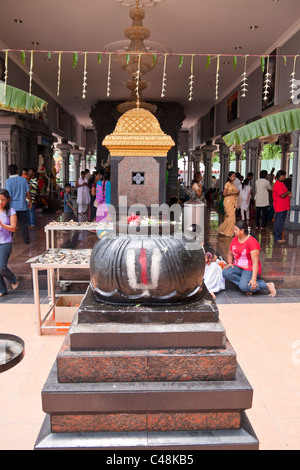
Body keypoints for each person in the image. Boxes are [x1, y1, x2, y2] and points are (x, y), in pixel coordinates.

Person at [222, 220, 276, 297]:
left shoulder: (252, 242)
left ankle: (267, 285)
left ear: (242, 231)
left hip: (250, 268)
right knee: (225, 273)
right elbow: (230, 254)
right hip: (238, 266)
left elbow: (255, 262)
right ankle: (247, 286)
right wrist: (230, 263)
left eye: (236, 229)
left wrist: (253, 279)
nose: (234, 231)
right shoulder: (235, 239)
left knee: (243, 286)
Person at [5, 164, 32, 244]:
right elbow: (28, 191)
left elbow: (8, 195)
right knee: (24, 224)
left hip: (12, 207)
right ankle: (26, 240)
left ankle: (9, 240)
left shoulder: (8, 181)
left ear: (9, 172)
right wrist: (30, 201)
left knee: (11, 224)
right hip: (22, 206)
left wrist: (6, 205)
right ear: (17, 171)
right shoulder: (23, 180)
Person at [0, 189, 18, 296]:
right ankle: (2, 289)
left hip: (5, 242)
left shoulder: (11, 211)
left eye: (3, 199)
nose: (1, 202)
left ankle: (13, 280)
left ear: (7, 200)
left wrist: (2, 225)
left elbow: (13, 228)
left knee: (1, 267)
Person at [272, 170, 292, 243]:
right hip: (280, 206)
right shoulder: (278, 184)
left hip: (283, 206)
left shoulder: (281, 183)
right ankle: (277, 237)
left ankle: (279, 236)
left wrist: (288, 194)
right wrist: (288, 192)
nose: (285, 177)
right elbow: (282, 195)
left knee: (280, 222)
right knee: (279, 222)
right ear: (280, 176)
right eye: (284, 175)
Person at [218, 171, 239, 237]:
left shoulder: (234, 185)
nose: (234, 177)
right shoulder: (227, 184)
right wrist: (233, 192)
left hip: (233, 202)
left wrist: (237, 193)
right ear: (229, 177)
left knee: (232, 217)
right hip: (228, 202)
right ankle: (224, 230)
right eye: (233, 176)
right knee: (229, 216)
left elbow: (235, 193)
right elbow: (224, 193)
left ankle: (228, 231)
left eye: (234, 176)